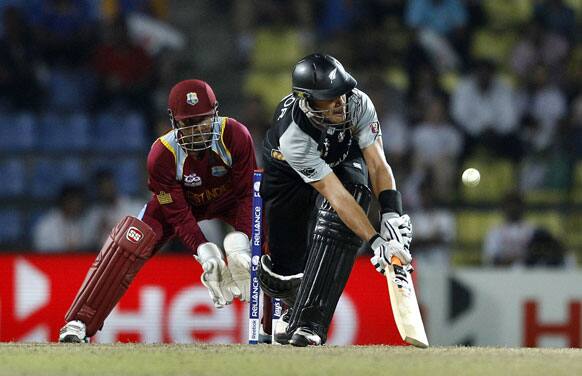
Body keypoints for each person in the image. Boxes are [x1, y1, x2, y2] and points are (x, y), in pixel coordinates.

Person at [59, 79, 257, 342]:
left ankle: (288, 321)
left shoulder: (236, 135)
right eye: (188, 123)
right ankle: (78, 323)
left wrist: (242, 241)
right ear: (174, 122)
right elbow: (178, 215)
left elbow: (247, 195)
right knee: (130, 240)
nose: (197, 131)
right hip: (182, 204)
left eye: (203, 120)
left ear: (216, 114)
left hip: (229, 199)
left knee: (272, 229)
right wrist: (204, 251)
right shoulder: (161, 155)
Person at [258, 53, 413, 346]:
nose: (340, 102)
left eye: (341, 93)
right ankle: (293, 305)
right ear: (307, 100)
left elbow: (378, 165)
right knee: (284, 272)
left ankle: (309, 323)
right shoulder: (294, 136)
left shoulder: (358, 103)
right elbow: (334, 194)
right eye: (329, 98)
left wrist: (392, 215)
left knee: (353, 199)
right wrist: (376, 241)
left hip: (341, 155)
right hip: (287, 173)